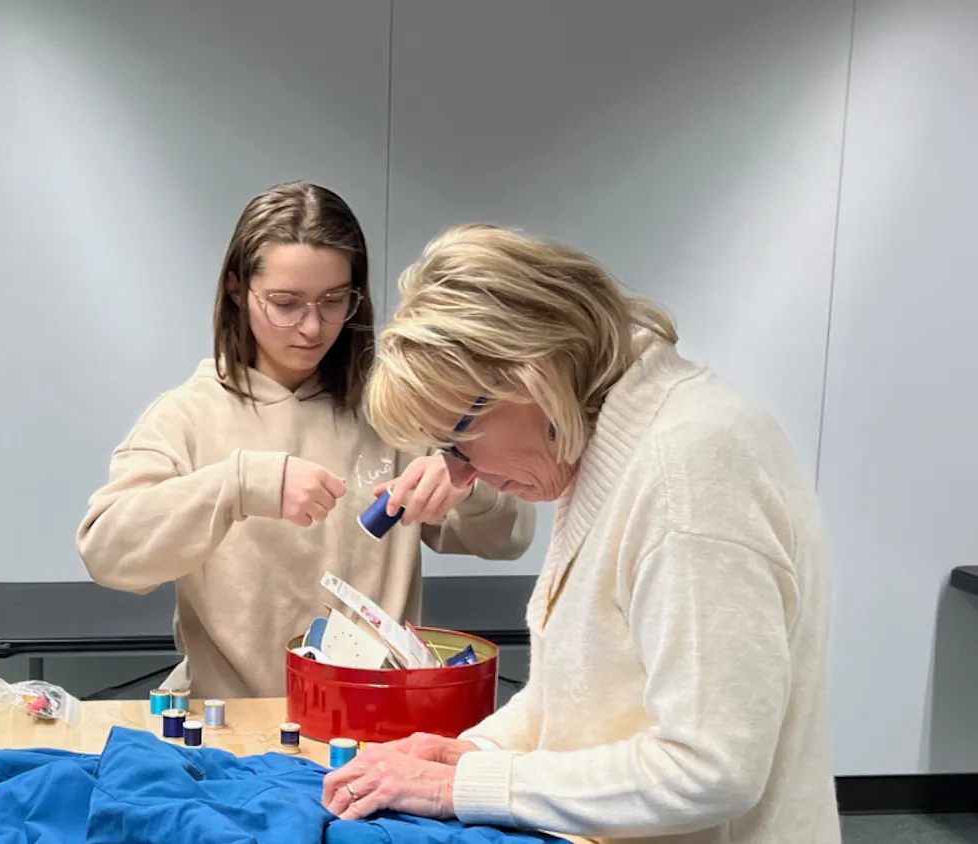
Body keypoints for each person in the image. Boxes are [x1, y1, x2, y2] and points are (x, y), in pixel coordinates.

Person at [320, 224, 839, 842]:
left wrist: (459, 789)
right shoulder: (610, 448)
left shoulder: (688, 471)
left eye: (456, 442)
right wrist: (476, 752)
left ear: (529, 375)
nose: (457, 471)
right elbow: (584, 697)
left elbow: (711, 768)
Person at [76, 183, 535, 700]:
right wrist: (240, 484)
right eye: (285, 303)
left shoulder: (394, 406)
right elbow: (107, 552)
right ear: (236, 290)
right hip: (234, 731)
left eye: (334, 300)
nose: (312, 327)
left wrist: (465, 478)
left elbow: (509, 537)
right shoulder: (187, 417)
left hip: (375, 727)